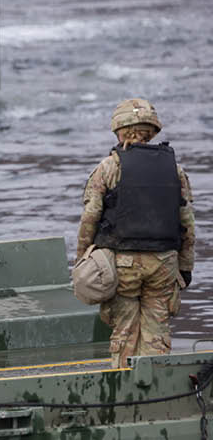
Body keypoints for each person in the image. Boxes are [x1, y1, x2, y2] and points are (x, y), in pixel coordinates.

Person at [76, 98, 196, 368]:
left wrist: (82, 259)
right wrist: (185, 267)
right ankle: (155, 389)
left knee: (125, 331)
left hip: (122, 264)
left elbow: (90, 218)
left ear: (119, 130)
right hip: (164, 264)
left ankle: (126, 389)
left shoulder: (108, 168)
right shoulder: (175, 170)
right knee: (157, 332)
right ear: (152, 132)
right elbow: (187, 224)